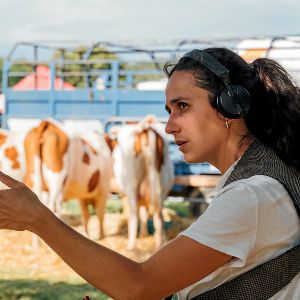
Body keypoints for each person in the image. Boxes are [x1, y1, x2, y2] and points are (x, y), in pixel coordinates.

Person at [0, 47, 300, 300]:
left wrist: (39, 220)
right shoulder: (264, 176)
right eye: (169, 110)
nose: (169, 126)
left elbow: (139, 286)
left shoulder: (253, 194)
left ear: (231, 105)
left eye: (182, 106)